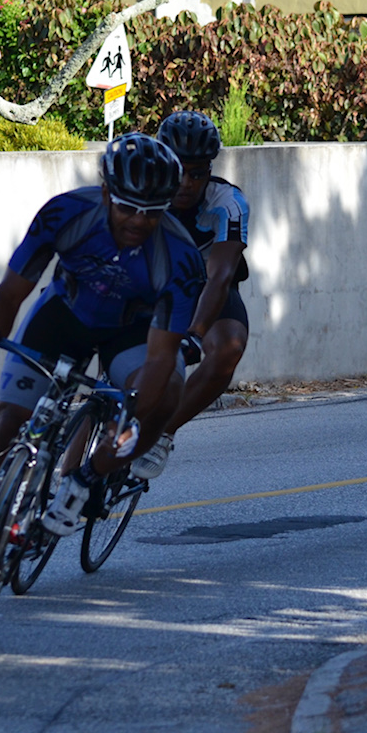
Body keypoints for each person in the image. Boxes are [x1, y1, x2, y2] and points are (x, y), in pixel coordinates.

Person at [0, 133, 205, 612]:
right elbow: (9, 294)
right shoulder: (65, 214)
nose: (140, 221)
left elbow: (157, 357)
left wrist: (131, 418)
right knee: (7, 427)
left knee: (165, 387)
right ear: (107, 193)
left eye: (153, 211)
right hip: (63, 316)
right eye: (129, 208)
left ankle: (83, 482)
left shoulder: (181, 256)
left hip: (130, 333)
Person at [126, 110, 253, 480]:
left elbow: (221, 275)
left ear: (210, 170)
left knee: (228, 347)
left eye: (197, 172)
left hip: (203, 285)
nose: (186, 182)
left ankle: (162, 433)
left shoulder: (227, 202)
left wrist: (195, 336)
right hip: (149, 282)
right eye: (179, 169)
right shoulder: (140, 189)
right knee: (122, 377)